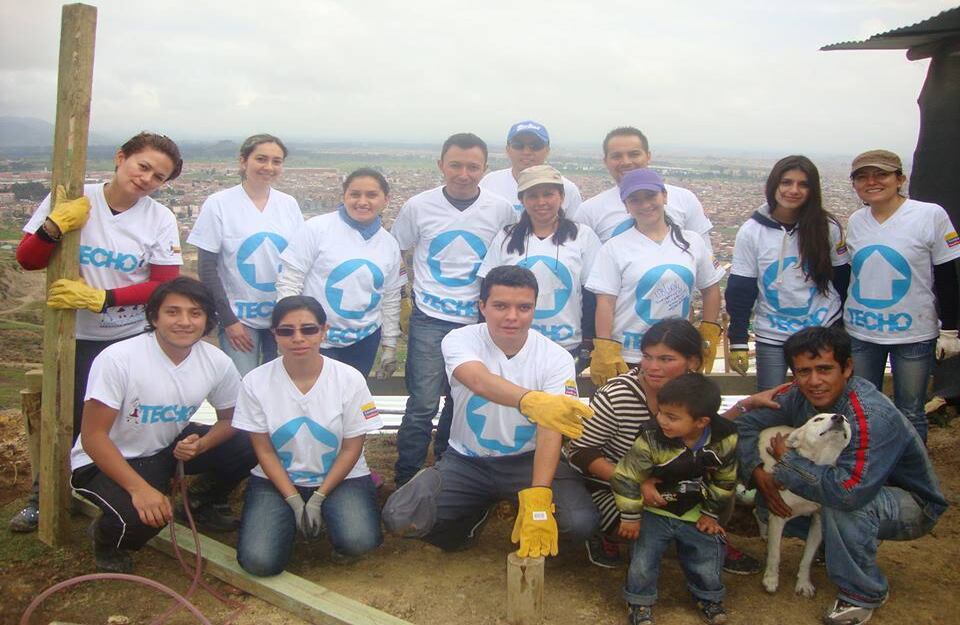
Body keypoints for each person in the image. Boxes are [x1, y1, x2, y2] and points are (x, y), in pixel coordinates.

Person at [11, 132, 185, 533]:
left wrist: (101, 297)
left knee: (124, 420)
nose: (146, 179)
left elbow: (162, 282)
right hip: (72, 337)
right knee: (65, 416)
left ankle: (108, 491)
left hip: (127, 337)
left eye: (158, 177)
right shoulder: (75, 200)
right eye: (143, 166)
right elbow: (28, 259)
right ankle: (46, 497)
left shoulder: (159, 219)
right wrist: (53, 228)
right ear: (121, 158)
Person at [736, 325, 948, 625]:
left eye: (824, 369)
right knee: (773, 491)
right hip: (848, 487)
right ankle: (831, 547)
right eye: (803, 371)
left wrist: (787, 464)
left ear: (847, 368)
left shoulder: (869, 415)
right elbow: (746, 426)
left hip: (909, 504)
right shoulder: (797, 395)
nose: (814, 381)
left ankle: (862, 593)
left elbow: (850, 491)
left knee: (841, 502)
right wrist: (759, 474)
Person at [382, 266, 598, 555]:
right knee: (401, 516)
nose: (512, 316)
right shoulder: (460, 340)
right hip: (466, 460)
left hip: (527, 460)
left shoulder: (555, 358)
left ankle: (522, 502)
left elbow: (550, 430)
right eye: (500, 306)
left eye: (523, 307)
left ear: (534, 308)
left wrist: (539, 496)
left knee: (580, 522)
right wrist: (529, 400)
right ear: (482, 306)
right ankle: (470, 518)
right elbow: (477, 379)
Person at [70, 278, 256, 573]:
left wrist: (202, 444)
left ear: (207, 319)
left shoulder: (215, 361)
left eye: (195, 313)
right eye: (173, 312)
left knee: (249, 442)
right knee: (141, 518)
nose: (184, 322)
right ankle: (105, 537)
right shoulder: (119, 359)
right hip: (108, 457)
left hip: (165, 447)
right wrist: (139, 489)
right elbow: (93, 436)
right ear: (154, 316)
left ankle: (199, 501)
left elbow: (233, 417)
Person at [568, 318, 770, 573]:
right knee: (643, 525)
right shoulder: (617, 395)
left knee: (722, 472)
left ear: (693, 363)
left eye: (666, 359)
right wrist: (634, 482)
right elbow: (580, 451)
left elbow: (706, 428)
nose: (652, 367)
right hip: (614, 483)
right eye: (647, 357)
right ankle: (611, 536)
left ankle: (708, 539)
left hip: (671, 480)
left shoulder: (695, 392)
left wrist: (746, 405)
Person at [391, 133, 516, 486]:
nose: (464, 174)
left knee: (459, 398)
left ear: (484, 169)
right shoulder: (418, 206)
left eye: (473, 167)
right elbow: (395, 251)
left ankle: (447, 470)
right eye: (456, 165)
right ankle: (407, 476)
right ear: (441, 165)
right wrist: (404, 294)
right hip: (430, 317)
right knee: (422, 403)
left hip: (476, 321)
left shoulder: (499, 209)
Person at [234, 296, 383, 576]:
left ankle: (331, 524)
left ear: (324, 331)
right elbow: (263, 450)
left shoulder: (349, 379)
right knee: (259, 562)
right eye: (286, 331)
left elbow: (352, 448)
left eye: (309, 329)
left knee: (359, 541)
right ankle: (287, 522)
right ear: (274, 334)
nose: (298, 338)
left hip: (342, 478)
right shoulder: (255, 382)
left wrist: (317, 497)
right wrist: (292, 498)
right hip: (276, 480)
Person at [844, 149, 960, 442]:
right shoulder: (857, 220)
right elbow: (850, 275)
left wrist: (949, 329)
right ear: (855, 184)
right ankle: (870, 469)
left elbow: (947, 276)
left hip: (913, 333)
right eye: (862, 176)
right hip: (862, 331)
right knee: (864, 408)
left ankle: (913, 477)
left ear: (900, 179)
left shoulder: (929, 215)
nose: (872, 181)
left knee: (911, 411)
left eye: (881, 174)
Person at [612, 372, 736, 625]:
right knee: (644, 558)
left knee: (707, 552)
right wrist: (631, 516)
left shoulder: (725, 438)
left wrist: (711, 513)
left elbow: (726, 478)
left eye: (672, 417)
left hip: (696, 509)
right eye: (660, 412)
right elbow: (626, 475)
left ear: (701, 421)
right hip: (654, 510)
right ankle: (639, 602)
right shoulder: (650, 437)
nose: (661, 421)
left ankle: (708, 597)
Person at [585, 168, 724, 385]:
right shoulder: (614, 247)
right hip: (628, 353)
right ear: (626, 205)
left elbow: (711, 288)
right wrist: (604, 346)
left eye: (651, 196)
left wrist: (708, 330)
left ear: (664, 196)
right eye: (635, 200)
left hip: (676, 354)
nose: (645, 204)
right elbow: (605, 301)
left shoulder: (692, 241)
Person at [725, 155, 850, 390]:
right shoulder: (752, 231)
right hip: (773, 333)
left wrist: (843, 329)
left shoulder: (827, 228)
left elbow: (843, 280)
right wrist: (738, 340)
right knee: (771, 400)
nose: (794, 190)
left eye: (803, 184)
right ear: (774, 185)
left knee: (822, 398)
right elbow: (741, 289)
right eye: (786, 182)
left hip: (823, 329)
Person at [188, 133, 304, 376]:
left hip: (281, 316)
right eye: (261, 159)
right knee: (243, 384)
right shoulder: (218, 203)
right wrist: (228, 320)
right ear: (243, 161)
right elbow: (207, 268)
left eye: (276, 161)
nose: (269, 167)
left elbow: (297, 261)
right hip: (239, 317)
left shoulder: (288, 204)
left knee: (279, 383)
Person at [277, 168, 402, 377]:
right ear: (344, 196)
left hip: (364, 340)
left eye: (371, 195)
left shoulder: (389, 244)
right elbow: (289, 281)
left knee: (350, 399)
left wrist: (389, 344)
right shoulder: (316, 229)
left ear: (386, 199)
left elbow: (390, 297)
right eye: (355, 194)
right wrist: (292, 329)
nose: (362, 202)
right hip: (316, 338)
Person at [478, 165, 601, 362]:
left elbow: (591, 293)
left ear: (561, 197)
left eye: (548, 194)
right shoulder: (506, 236)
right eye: (533, 196)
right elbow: (488, 288)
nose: (541, 202)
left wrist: (589, 339)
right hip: (512, 345)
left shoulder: (583, 236)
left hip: (565, 345)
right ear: (522, 200)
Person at [573, 126, 713, 249]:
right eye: (617, 156)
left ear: (648, 156)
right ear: (605, 162)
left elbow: (705, 260)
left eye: (634, 154)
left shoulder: (685, 199)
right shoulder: (589, 211)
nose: (626, 162)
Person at [479, 120, 582, 217]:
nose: (526, 152)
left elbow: (574, 231)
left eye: (536, 146)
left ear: (547, 150)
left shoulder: (567, 189)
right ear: (507, 150)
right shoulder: (489, 182)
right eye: (518, 145)